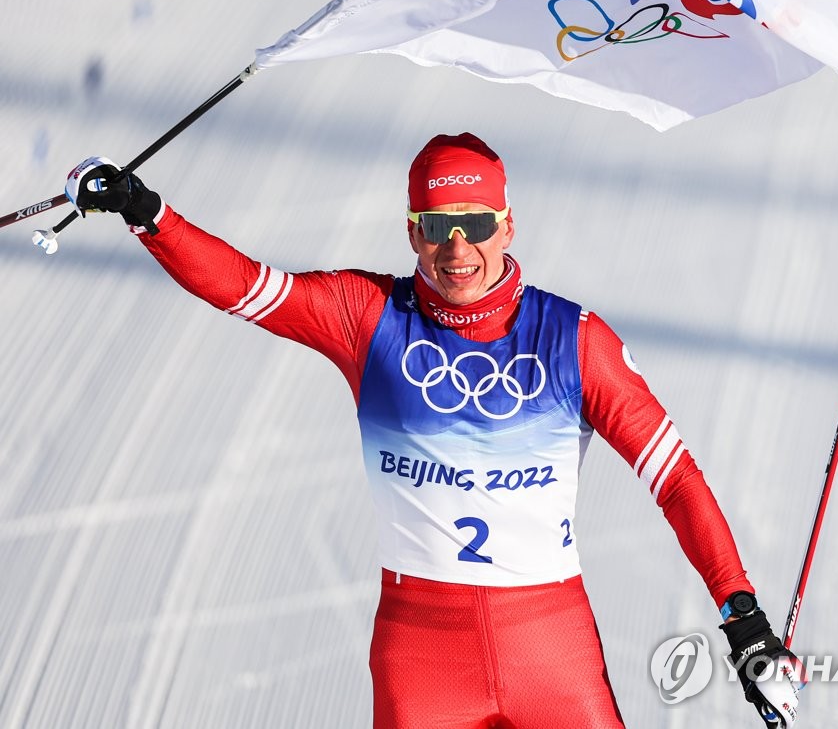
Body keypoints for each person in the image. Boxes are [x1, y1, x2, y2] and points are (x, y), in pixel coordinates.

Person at [65, 134, 801, 728]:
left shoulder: (573, 339)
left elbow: (674, 477)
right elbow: (245, 285)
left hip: (550, 648)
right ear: (412, 232)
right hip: (422, 657)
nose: (457, 250)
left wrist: (743, 615)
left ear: (507, 224)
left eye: (476, 224)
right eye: (437, 230)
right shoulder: (367, 317)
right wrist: (147, 211)